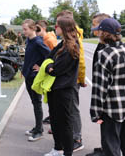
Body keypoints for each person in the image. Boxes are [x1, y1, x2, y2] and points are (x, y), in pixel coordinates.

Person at [90, 18, 125, 156]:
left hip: (112, 110)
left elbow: (99, 89)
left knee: (111, 147)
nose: (98, 34)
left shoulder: (104, 55)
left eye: (99, 31)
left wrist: (95, 113)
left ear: (104, 34)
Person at [44, 16, 80, 156]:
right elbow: (49, 57)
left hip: (64, 90)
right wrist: (49, 65)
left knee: (65, 123)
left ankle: (67, 152)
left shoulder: (72, 46)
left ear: (64, 28)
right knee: (55, 120)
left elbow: (56, 69)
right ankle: (57, 148)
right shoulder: (62, 44)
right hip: (55, 88)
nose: (55, 28)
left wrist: (49, 67)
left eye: (57, 25)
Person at [55, 10, 87, 152]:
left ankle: (77, 138)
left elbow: (81, 61)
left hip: (72, 80)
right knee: (69, 109)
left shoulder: (74, 38)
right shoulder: (69, 36)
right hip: (71, 79)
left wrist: (81, 78)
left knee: (72, 109)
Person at [86, 13, 111, 156]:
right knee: (104, 124)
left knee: (108, 124)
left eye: (94, 24)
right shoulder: (101, 44)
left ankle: (107, 150)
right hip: (101, 90)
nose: (92, 27)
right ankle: (104, 147)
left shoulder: (107, 48)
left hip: (108, 94)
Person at [21, 19, 50, 141]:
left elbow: (50, 55)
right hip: (28, 76)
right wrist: (24, 70)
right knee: (34, 102)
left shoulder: (38, 42)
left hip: (34, 78)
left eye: (25, 29)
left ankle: (39, 130)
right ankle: (37, 127)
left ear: (33, 28)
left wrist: (41, 67)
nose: (23, 32)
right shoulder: (29, 40)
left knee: (37, 103)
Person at [35, 20, 58, 132]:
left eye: (37, 29)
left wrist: (44, 68)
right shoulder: (44, 39)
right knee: (50, 101)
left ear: (43, 29)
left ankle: (56, 124)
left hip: (51, 74)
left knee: (54, 102)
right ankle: (52, 119)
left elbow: (55, 57)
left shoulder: (49, 40)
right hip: (48, 73)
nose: (35, 31)